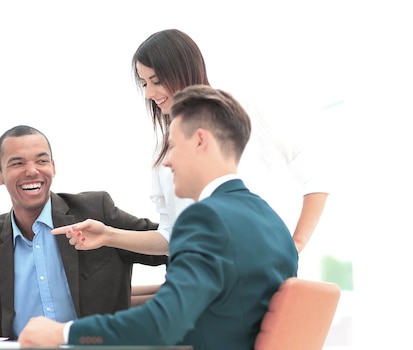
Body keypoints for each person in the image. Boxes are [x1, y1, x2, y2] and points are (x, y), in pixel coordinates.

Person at [18, 84, 299, 349]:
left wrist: (62, 332)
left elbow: (163, 324)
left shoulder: (205, 218)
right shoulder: (272, 222)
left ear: (200, 140)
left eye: (173, 146)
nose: (166, 160)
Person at [53, 29, 329, 255]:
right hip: (203, 286)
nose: (149, 93)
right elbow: (173, 236)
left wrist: (295, 246)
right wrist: (109, 235)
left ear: (183, 71)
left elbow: (317, 176)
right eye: (143, 83)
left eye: (156, 81)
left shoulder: (245, 112)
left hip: (246, 280)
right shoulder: (163, 150)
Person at [0, 125, 167, 340]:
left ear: (53, 166)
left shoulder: (95, 213)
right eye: (17, 163)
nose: (32, 171)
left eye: (41, 161)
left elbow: (172, 246)